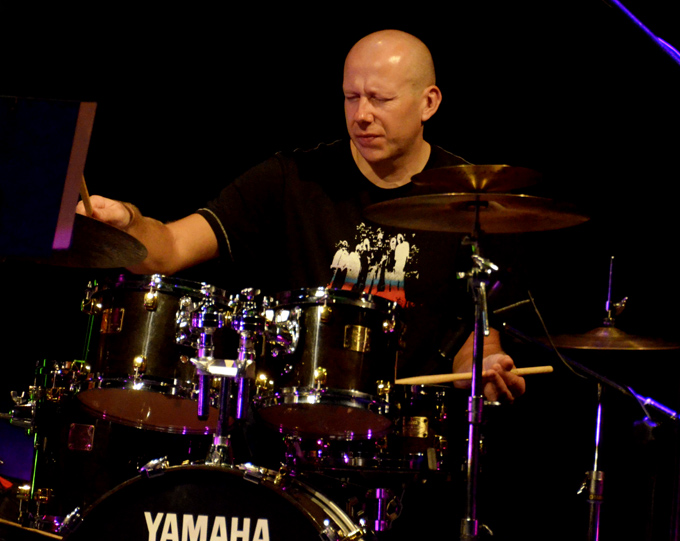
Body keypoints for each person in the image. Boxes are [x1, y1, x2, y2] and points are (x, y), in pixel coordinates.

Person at [77, 29, 525, 403]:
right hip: (290, 434)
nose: (362, 115)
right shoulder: (291, 178)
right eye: (351, 97)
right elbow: (171, 248)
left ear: (429, 103)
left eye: (380, 99)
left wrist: (484, 365)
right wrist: (128, 224)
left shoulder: (471, 200)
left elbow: (477, 336)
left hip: (409, 438)